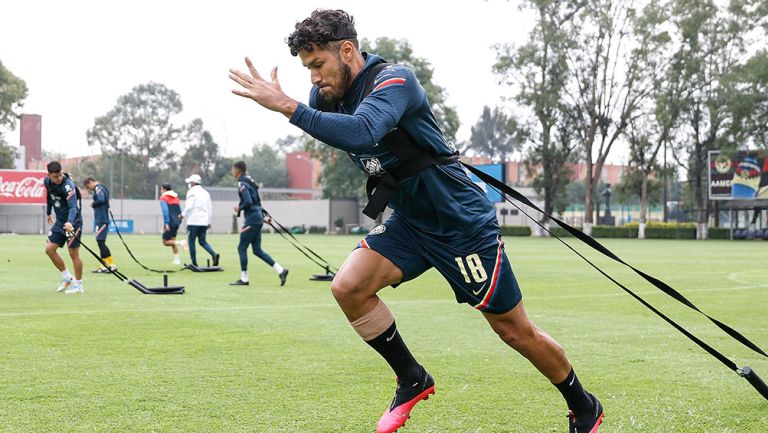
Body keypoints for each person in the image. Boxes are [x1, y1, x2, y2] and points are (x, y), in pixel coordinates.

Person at [228, 9, 604, 433]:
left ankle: (584, 404)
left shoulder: (395, 80)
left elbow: (362, 132)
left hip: (459, 223)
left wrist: (285, 106)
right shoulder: (327, 96)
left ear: (347, 50)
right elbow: (333, 125)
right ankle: (412, 378)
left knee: (514, 331)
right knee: (349, 287)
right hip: (410, 221)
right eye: (307, 68)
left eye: (318, 65)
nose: (313, 79)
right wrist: (295, 106)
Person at [229, 160, 289, 286]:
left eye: (233, 169)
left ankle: (244, 278)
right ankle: (281, 270)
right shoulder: (250, 181)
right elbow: (257, 202)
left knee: (241, 248)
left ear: (238, 169)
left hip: (252, 219)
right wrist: (263, 216)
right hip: (257, 217)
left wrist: (239, 208)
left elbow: (249, 201)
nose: (232, 171)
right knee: (257, 250)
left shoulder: (242, 183)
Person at [44, 161, 84, 294]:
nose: (59, 178)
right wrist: (49, 212)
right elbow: (49, 197)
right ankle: (67, 277)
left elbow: (73, 207)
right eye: (56, 176)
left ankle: (78, 286)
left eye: (60, 175)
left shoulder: (68, 186)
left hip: (73, 222)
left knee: (73, 254)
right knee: (49, 249)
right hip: (60, 222)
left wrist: (70, 222)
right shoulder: (47, 182)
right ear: (49, 175)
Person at [180, 174, 220, 267]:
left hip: (194, 220)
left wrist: (182, 215)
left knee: (191, 241)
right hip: (204, 221)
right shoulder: (206, 193)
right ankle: (213, 254)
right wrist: (209, 221)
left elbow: (189, 206)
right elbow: (209, 208)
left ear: (193, 182)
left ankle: (194, 263)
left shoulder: (191, 192)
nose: (189, 184)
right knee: (202, 241)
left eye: (190, 182)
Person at [83, 176, 117, 273]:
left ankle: (111, 265)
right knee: (100, 242)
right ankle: (103, 266)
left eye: (88, 187)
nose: (89, 189)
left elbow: (101, 199)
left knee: (101, 242)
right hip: (101, 219)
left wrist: (93, 204)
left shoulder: (99, 188)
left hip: (101, 220)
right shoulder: (101, 188)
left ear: (90, 182)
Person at [159, 183, 187, 265]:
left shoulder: (163, 198)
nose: (161, 191)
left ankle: (181, 242)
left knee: (165, 242)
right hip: (176, 222)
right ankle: (177, 260)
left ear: (164, 189)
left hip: (170, 222)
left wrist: (166, 223)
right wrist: (179, 222)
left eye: (161, 189)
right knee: (173, 241)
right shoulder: (176, 198)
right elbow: (179, 211)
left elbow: (165, 211)